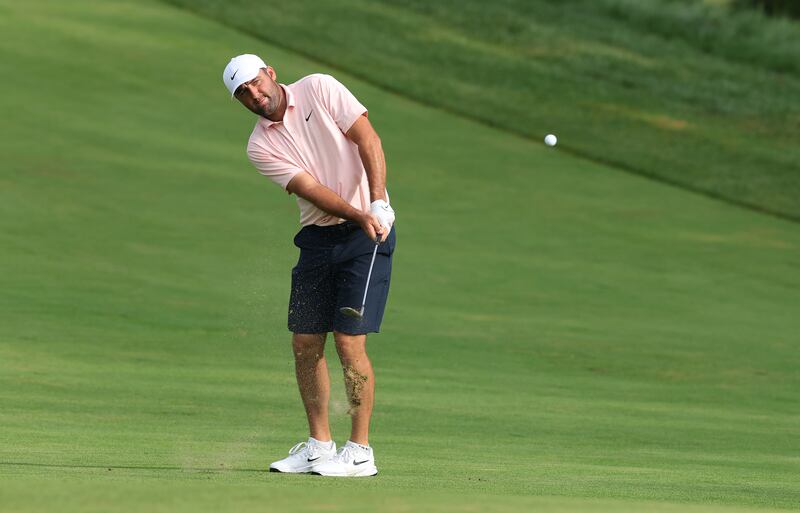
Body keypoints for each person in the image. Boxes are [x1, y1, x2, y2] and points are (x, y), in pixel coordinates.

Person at [222, 54, 396, 477]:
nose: (253, 94)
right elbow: (312, 190)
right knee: (304, 343)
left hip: (368, 235)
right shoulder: (260, 145)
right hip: (319, 239)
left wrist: (375, 204)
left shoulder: (319, 87)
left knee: (349, 342)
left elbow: (368, 139)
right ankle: (319, 446)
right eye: (242, 93)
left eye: (255, 82)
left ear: (271, 73)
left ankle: (360, 451)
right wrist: (358, 213)